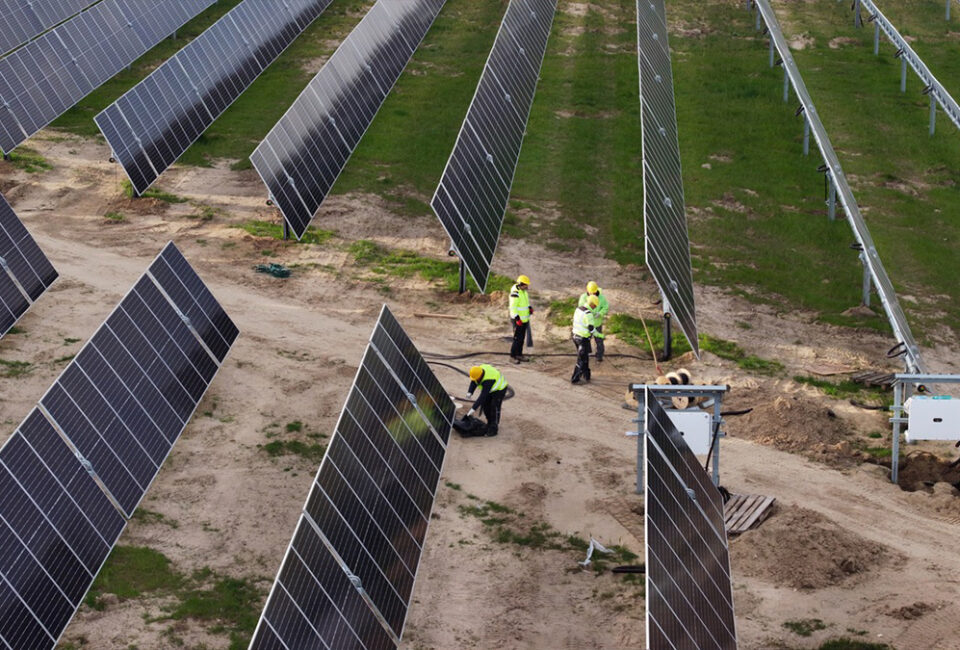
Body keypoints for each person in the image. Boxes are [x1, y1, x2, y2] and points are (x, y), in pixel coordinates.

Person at [464, 364, 508, 437]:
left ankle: (494, 428)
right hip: (491, 389)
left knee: (494, 407)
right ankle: (489, 423)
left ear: (480, 376)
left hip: (499, 389)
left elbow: (483, 396)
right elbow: (474, 381)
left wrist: (473, 408)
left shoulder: (488, 380)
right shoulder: (478, 371)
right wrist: (470, 392)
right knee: (485, 406)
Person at [579, 281, 609, 362]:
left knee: (599, 339)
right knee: (585, 340)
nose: (592, 294)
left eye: (594, 293)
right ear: (587, 290)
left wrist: (600, 313)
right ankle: (584, 354)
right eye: (591, 293)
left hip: (597, 323)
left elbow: (606, 307)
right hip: (587, 324)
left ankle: (599, 355)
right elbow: (581, 308)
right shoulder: (583, 297)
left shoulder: (602, 298)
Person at [571, 296, 598, 384]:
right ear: (592, 304)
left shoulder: (578, 309)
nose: (595, 307)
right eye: (595, 305)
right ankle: (575, 378)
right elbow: (591, 327)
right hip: (583, 339)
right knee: (581, 359)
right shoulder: (588, 314)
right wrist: (597, 334)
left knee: (585, 356)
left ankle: (586, 375)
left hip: (575, 336)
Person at [509, 275, 532, 364]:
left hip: (524, 319)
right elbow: (513, 307)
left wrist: (529, 307)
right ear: (521, 284)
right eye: (526, 285)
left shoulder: (523, 291)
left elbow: (525, 302)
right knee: (517, 338)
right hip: (518, 320)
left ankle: (519, 354)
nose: (527, 286)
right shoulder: (515, 293)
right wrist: (517, 318)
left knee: (521, 338)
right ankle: (512, 356)